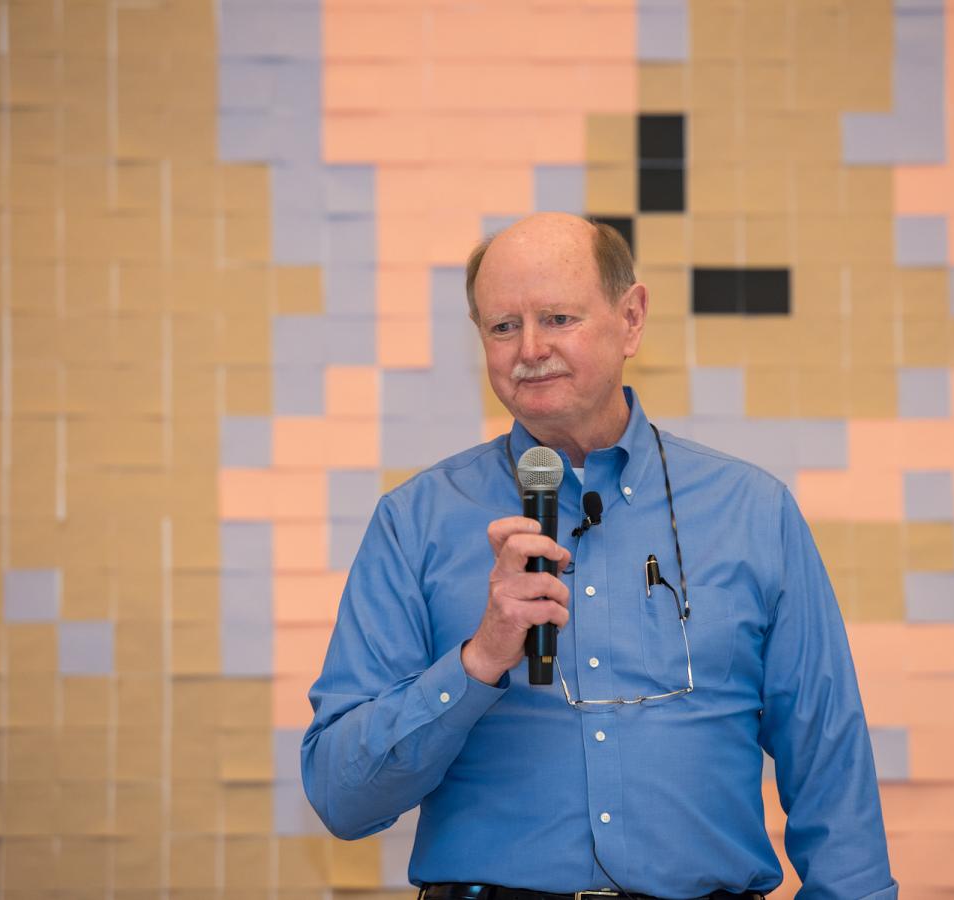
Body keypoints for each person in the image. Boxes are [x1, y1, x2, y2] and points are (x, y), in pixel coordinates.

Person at [301, 213, 897, 900]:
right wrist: (477, 661)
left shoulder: (753, 512)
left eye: (558, 318)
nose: (530, 349)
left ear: (632, 319)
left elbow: (831, 772)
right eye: (502, 326)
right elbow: (340, 798)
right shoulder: (415, 523)